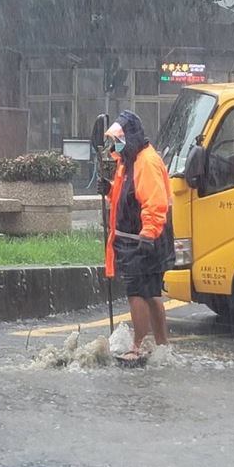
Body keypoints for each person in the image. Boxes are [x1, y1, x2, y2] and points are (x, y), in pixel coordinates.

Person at [97, 110, 175, 361]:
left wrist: (148, 233)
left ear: (131, 136)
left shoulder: (146, 162)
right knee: (151, 292)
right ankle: (162, 346)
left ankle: (138, 346)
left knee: (137, 292)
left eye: (119, 139)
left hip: (141, 239)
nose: (116, 145)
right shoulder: (130, 160)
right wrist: (110, 190)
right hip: (142, 237)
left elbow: (155, 201)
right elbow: (128, 197)